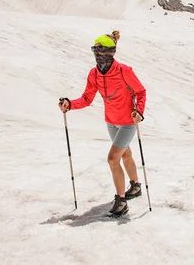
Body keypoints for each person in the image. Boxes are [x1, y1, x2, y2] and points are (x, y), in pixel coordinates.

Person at [58, 31, 146, 217]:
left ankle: (121, 202)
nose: (98, 56)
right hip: (111, 122)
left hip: (128, 122)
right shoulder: (94, 74)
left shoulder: (124, 71)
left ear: (110, 53)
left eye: (101, 51)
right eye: (96, 51)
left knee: (113, 159)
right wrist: (70, 104)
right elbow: (87, 98)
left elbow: (141, 92)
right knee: (126, 155)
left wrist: (139, 112)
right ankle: (136, 186)